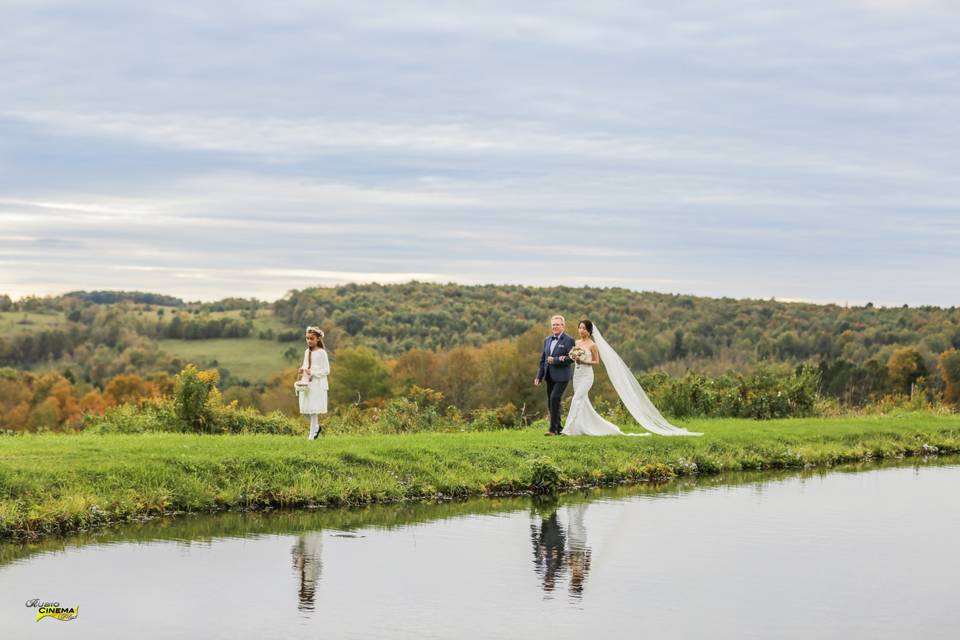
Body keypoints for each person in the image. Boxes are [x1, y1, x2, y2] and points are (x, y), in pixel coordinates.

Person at [562, 319, 702, 437]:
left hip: (587, 376)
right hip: (577, 375)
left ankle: (567, 429)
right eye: (580, 328)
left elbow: (596, 362)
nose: (581, 331)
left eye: (584, 328)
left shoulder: (593, 345)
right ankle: (580, 428)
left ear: (589, 331)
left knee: (577, 399)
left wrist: (584, 361)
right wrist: (573, 357)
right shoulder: (577, 343)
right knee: (582, 401)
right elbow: (573, 357)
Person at [534, 315, 576, 436]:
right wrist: (539, 377)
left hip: (562, 376)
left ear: (563, 326)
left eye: (557, 324)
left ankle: (552, 429)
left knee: (554, 399)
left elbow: (572, 358)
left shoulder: (569, 340)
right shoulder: (547, 340)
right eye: (553, 325)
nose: (555, 327)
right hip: (549, 376)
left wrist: (556, 360)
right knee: (552, 402)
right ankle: (559, 428)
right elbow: (543, 360)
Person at [297, 326, 329, 440]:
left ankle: (311, 436)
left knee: (314, 409)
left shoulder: (322, 353)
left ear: (318, 339)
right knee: (306, 409)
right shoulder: (307, 352)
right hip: (307, 383)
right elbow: (306, 365)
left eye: (311, 338)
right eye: (307, 338)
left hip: (317, 384)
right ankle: (316, 427)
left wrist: (313, 372)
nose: (309, 341)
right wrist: (302, 369)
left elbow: (326, 370)